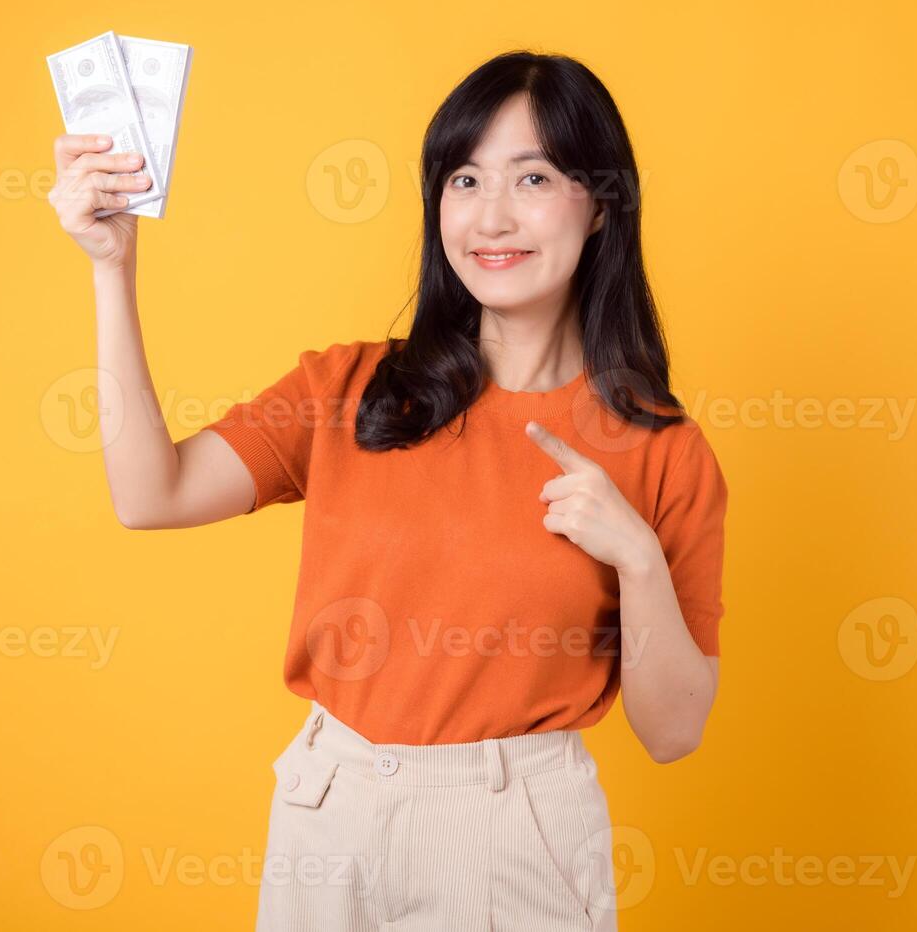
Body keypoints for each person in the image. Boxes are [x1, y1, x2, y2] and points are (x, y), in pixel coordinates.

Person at [47, 49, 728, 932]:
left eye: (532, 176)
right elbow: (151, 493)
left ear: (600, 205)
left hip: (512, 834)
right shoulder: (349, 390)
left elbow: (674, 733)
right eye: (464, 179)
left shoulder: (661, 450)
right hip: (330, 810)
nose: (492, 215)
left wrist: (636, 556)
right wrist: (112, 268)